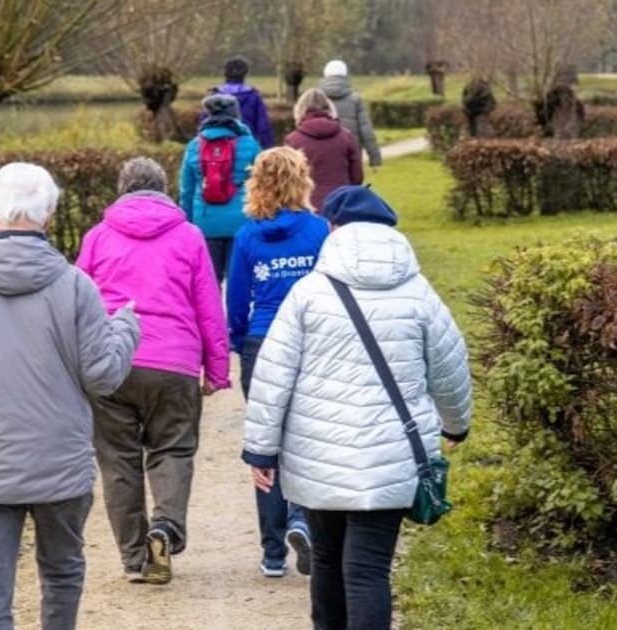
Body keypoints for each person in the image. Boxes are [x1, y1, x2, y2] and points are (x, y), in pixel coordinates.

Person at [0, 162, 141, 630]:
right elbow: (103, 376)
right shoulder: (76, 286)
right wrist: (126, 328)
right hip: (59, 463)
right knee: (62, 572)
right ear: (49, 215)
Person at [242, 185, 473, 630]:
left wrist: (261, 450)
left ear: (332, 228)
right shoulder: (419, 293)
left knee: (327, 559)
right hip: (392, 456)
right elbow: (451, 366)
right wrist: (456, 425)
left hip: (319, 453)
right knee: (368, 570)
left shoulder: (309, 293)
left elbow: (273, 374)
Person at [77, 157, 232, 585]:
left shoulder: (97, 236)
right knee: (173, 448)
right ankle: (165, 527)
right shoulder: (189, 236)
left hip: (112, 362)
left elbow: (76, 302)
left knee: (118, 460)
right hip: (174, 363)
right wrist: (217, 369)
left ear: (122, 189)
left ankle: (134, 559)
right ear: (164, 190)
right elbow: (208, 306)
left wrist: (73, 364)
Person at [226, 147, 330, 579]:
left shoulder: (248, 236)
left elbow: (236, 301)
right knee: (307, 437)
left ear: (258, 183)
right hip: (310, 341)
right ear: (301, 181)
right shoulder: (320, 230)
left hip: (263, 342)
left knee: (266, 445)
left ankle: (272, 553)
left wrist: (241, 344)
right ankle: (302, 519)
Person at [180, 93, 261, 284]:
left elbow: (187, 191)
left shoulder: (193, 146)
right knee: (238, 280)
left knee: (208, 282)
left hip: (205, 222)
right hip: (241, 222)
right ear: (236, 114)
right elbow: (262, 186)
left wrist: (188, 225)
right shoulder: (250, 145)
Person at [285, 88, 364, 209]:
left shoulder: (293, 141)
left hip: (307, 206)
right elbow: (357, 177)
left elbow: (287, 181)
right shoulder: (346, 137)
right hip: (341, 205)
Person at [318, 60, 382, 169]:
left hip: (322, 153)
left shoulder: (316, 98)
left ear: (325, 75)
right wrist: (375, 159)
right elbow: (366, 130)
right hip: (351, 153)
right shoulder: (356, 99)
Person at [204, 55, 275, 149]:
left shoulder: (214, 96)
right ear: (245, 74)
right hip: (247, 146)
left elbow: (204, 123)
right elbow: (263, 126)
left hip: (216, 148)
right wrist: (268, 149)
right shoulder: (253, 96)